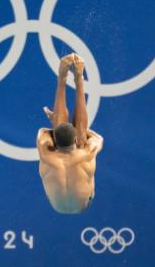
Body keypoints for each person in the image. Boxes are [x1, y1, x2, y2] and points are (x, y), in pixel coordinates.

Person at [37, 53, 103, 214]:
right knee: (82, 141)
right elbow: (97, 138)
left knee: (67, 132)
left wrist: (56, 122)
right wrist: (78, 130)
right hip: (83, 204)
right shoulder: (87, 152)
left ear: (54, 142)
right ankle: (79, 79)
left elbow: (44, 132)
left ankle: (62, 78)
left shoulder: (45, 151)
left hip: (57, 206)